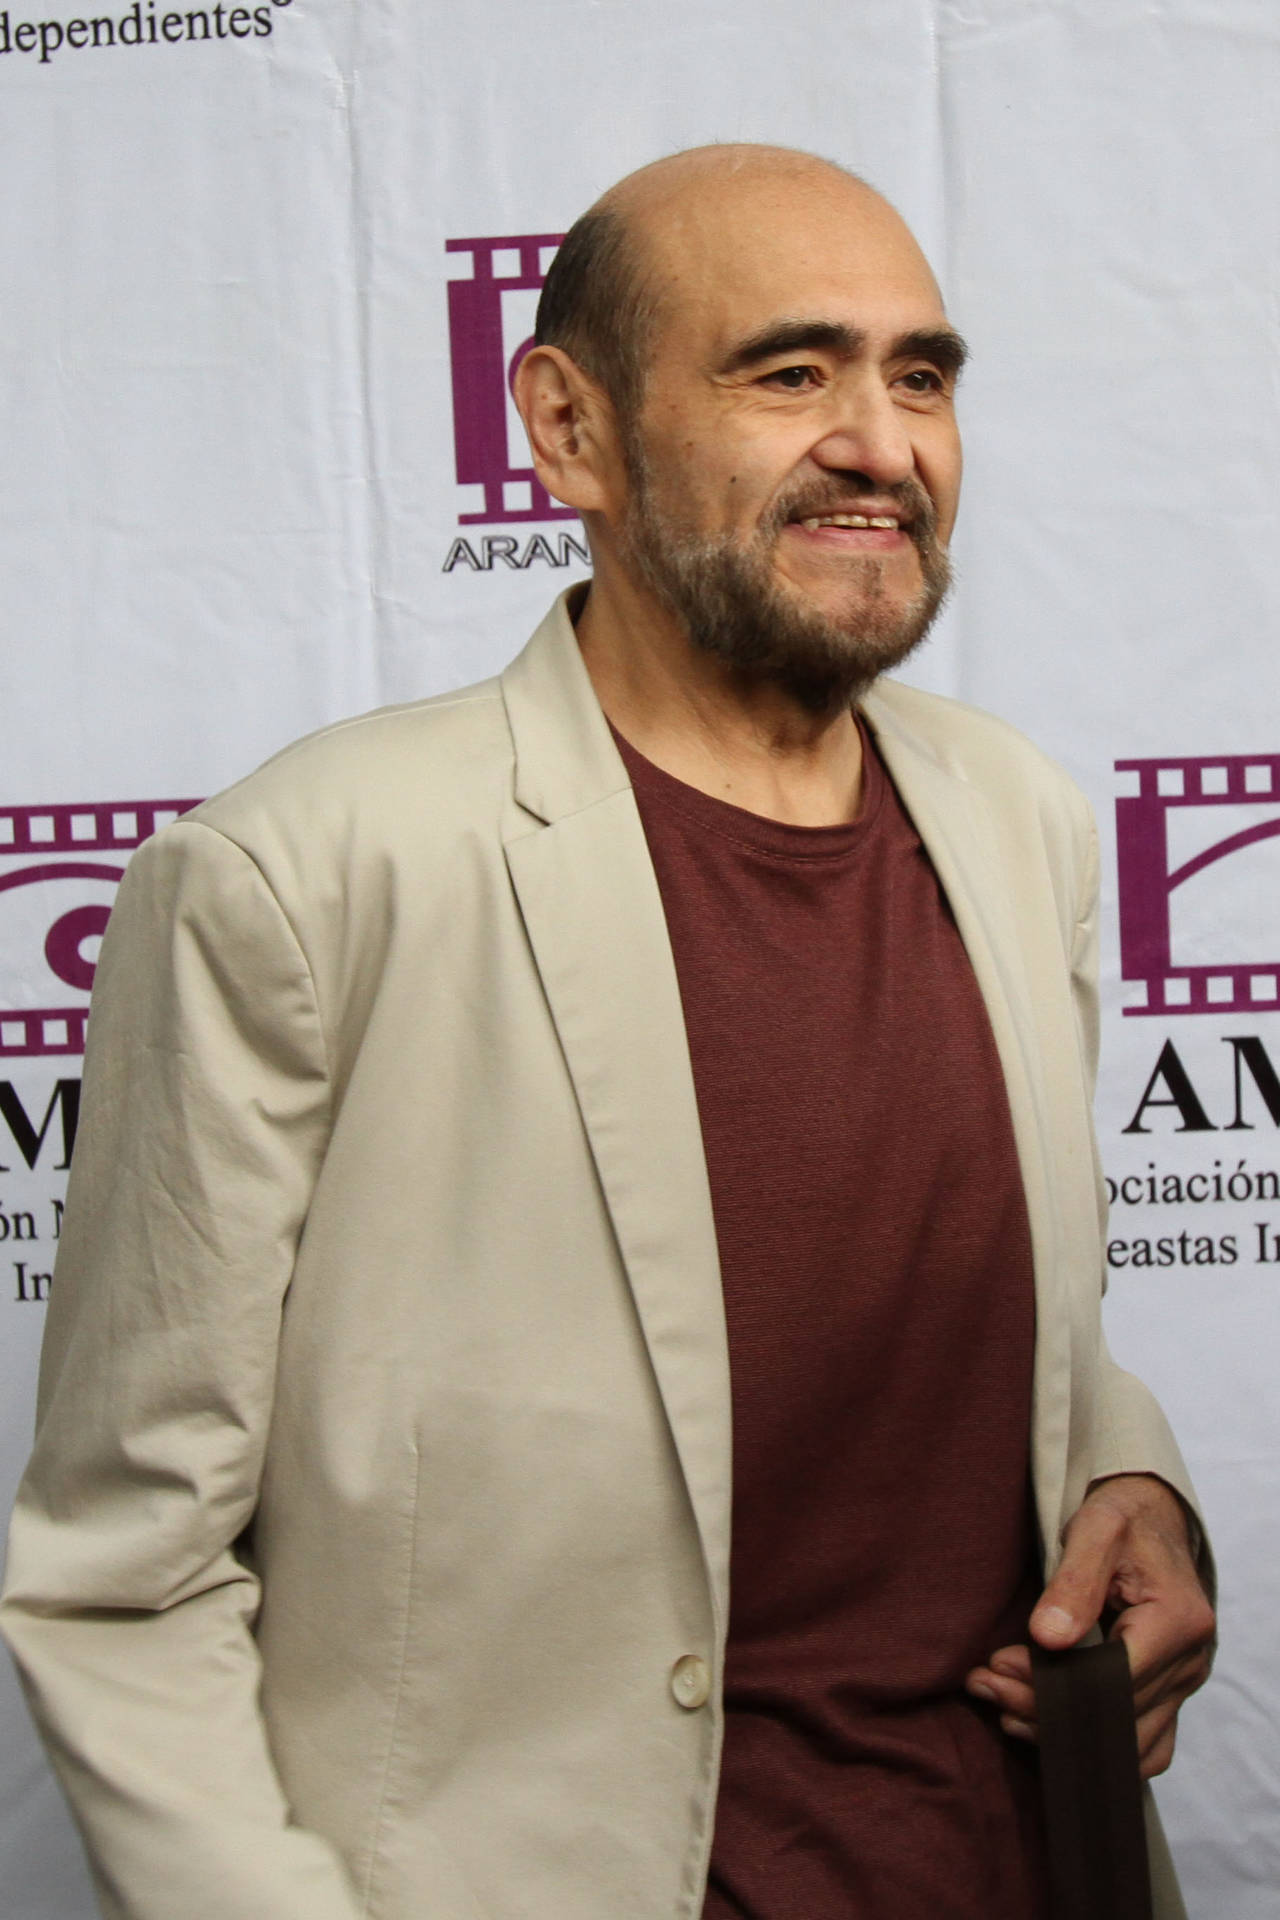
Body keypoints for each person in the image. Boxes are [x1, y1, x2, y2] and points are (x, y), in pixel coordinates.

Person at [2, 145, 1214, 1920]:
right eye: (789, 372)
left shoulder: (1018, 817)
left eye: (921, 376)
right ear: (569, 431)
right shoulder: (299, 875)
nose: (882, 444)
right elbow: (124, 1576)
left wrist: (1136, 1478)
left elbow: (997, 1322)